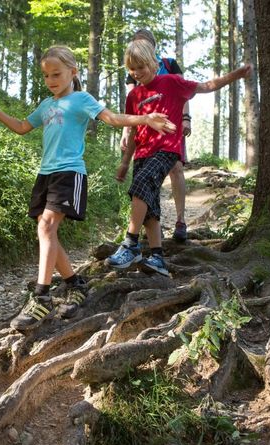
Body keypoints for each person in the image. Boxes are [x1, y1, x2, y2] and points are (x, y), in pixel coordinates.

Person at [0, 45, 176, 330]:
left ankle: (42, 297)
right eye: (46, 75)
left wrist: (145, 118)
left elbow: (111, 118)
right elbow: (23, 126)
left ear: (73, 72)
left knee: (46, 227)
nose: (51, 80)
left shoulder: (81, 99)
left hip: (69, 173)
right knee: (46, 231)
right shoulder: (47, 105)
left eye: (57, 74)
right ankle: (75, 283)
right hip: (45, 175)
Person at [107, 39, 251, 276]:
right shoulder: (134, 96)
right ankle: (157, 258)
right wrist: (124, 162)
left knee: (140, 186)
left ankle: (131, 243)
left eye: (141, 67)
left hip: (165, 150)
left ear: (154, 63)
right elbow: (133, 130)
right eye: (131, 68)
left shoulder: (171, 82)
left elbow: (206, 86)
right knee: (150, 209)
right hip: (142, 153)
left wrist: (235, 75)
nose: (136, 73)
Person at [120, 28, 191, 242]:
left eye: (144, 44)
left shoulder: (169, 65)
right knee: (147, 175)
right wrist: (126, 131)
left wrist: (186, 117)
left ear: (153, 46)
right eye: (136, 44)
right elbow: (131, 105)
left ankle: (180, 220)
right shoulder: (132, 70)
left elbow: (184, 92)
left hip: (171, 124)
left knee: (176, 168)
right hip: (145, 130)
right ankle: (153, 229)